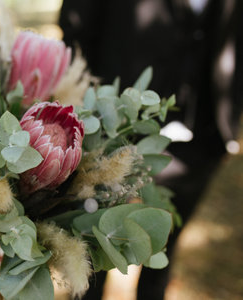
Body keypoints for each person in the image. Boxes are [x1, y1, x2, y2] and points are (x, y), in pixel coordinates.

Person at [59, 0, 243, 299]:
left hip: (200, 141)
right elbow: (76, 26)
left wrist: (229, 125)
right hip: (111, 135)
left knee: (162, 254)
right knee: (92, 253)